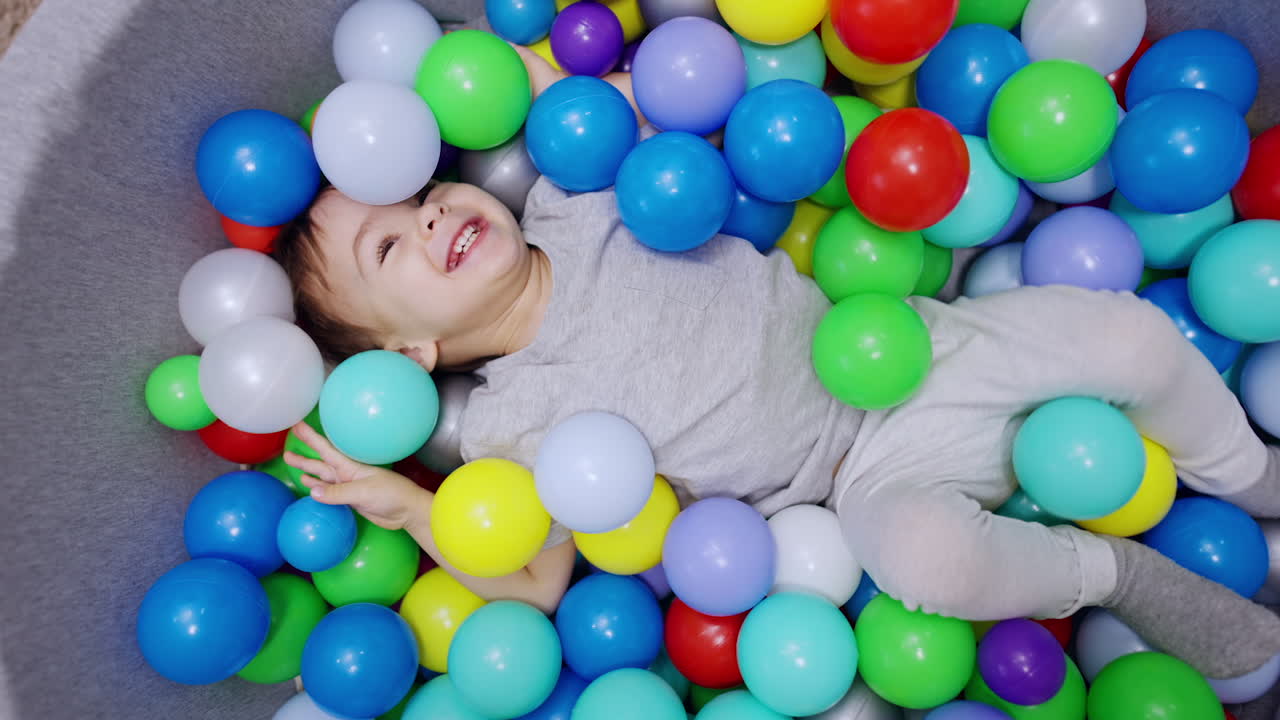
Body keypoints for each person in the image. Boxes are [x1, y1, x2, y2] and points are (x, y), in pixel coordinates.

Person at [278, 42, 1280, 680]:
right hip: (857, 482)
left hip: (912, 353)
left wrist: (558, 89)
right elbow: (536, 583)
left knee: (1128, 337)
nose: (430, 219)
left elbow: (666, 102)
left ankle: (1249, 473)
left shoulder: (573, 198)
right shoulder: (503, 424)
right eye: (388, 248)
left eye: (418, 197)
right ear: (409, 355)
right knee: (925, 560)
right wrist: (412, 507)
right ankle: (1108, 574)